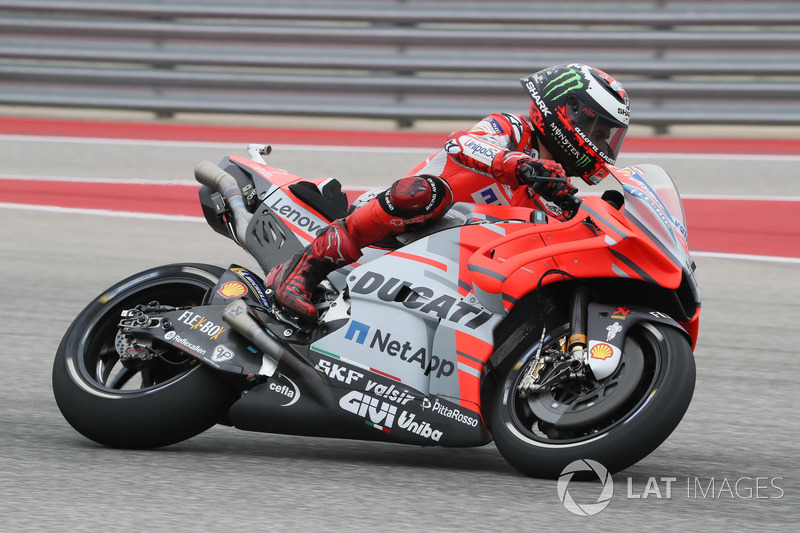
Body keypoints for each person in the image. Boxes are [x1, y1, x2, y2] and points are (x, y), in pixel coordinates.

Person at [266, 63, 631, 325]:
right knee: (424, 193)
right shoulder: (510, 128)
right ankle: (304, 269)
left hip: (459, 266)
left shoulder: (558, 191)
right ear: (567, 111)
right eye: (598, 132)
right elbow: (461, 143)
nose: (602, 146)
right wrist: (518, 164)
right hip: (403, 225)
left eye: (609, 138)